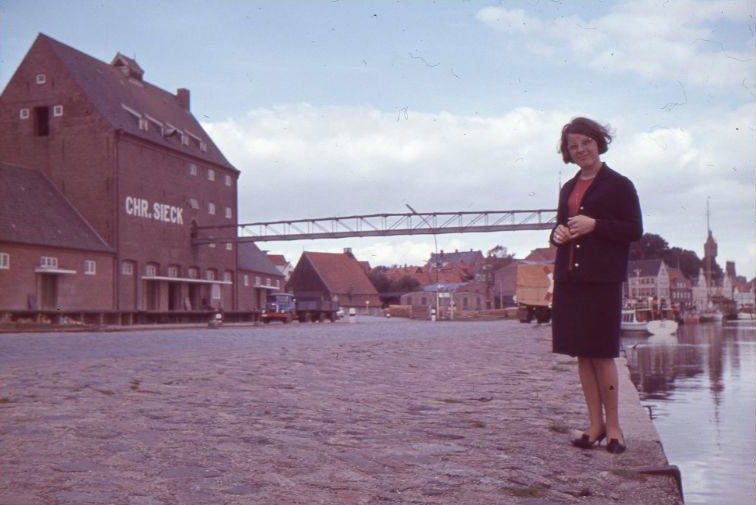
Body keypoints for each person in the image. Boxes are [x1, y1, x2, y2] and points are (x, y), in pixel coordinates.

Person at [550, 117, 643, 454]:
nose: (580, 150)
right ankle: (595, 425)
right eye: (573, 146)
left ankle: (615, 428)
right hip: (570, 280)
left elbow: (634, 229)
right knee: (582, 356)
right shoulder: (568, 187)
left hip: (602, 280)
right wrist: (557, 235)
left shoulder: (620, 185)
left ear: (598, 142)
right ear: (568, 153)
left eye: (585, 142)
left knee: (602, 354)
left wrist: (595, 225)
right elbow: (561, 229)